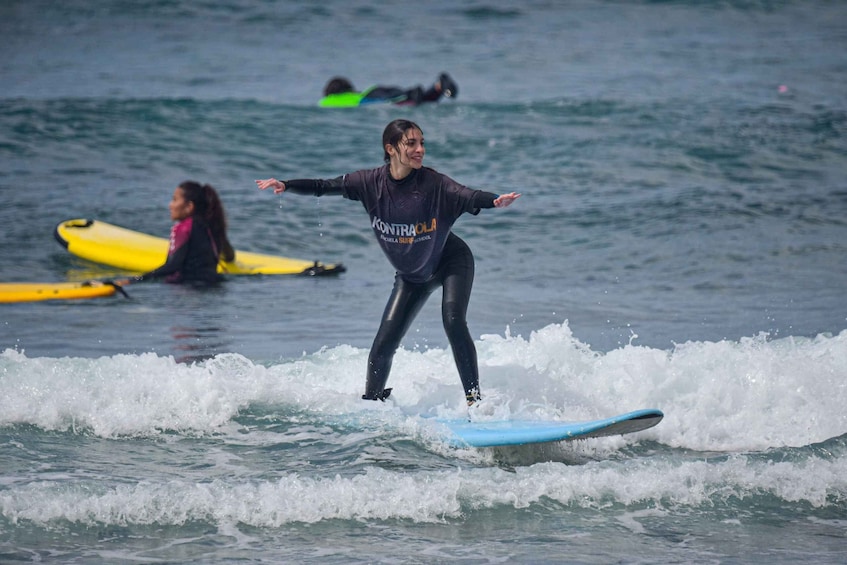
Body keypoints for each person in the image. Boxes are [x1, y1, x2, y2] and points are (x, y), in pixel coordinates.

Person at [256, 119, 520, 405]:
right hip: (411, 276)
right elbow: (324, 185)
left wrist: (494, 201)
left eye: (422, 143)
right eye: (411, 143)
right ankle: (373, 404)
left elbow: (467, 194)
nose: (420, 149)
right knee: (382, 347)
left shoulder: (434, 184)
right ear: (391, 148)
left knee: (453, 321)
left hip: (451, 260)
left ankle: (474, 401)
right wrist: (286, 185)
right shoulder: (369, 183)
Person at [132, 181, 235, 284]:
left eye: (175, 200)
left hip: (185, 288)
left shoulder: (183, 228)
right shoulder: (213, 227)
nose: (170, 205)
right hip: (213, 285)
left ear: (189, 207)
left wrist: (135, 279)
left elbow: (172, 266)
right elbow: (230, 256)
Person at [319, 73, 458, 108]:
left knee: (410, 98)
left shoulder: (329, 101)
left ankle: (412, 93)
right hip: (373, 90)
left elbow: (323, 104)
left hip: (372, 95)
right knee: (420, 101)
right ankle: (439, 85)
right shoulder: (355, 94)